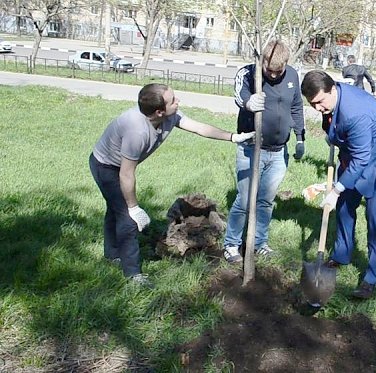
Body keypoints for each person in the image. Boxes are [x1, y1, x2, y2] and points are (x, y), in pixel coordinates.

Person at [89, 83, 254, 287]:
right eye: (173, 100)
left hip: (121, 168)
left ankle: (112, 254)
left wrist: (233, 137)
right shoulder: (137, 130)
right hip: (106, 167)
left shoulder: (169, 116)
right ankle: (132, 275)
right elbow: (126, 173)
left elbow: (199, 127)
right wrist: (133, 207)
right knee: (126, 218)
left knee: (114, 210)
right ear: (159, 111)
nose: (178, 102)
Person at [301, 70, 376, 299]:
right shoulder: (332, 96)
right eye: (313, 105)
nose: (318, 108)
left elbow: (362, 158)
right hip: (358, 153)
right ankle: (341, 254)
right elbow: (346, 139)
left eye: (320, 102)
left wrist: (337, 189)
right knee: (343, 206)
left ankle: (372, 277)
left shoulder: (355, 113)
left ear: (332, 90)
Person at [222, 40, 306, 263]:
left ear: (286, 64)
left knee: (266, 201)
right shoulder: (249, 74)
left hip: (279, 152)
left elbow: (296, 106)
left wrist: (300, 137)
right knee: (245, 199)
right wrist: (249, 102)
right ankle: (231, 244)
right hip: (251, 148)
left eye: (278, 71)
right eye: (269, 70)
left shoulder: (292, 76)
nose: (274, 75)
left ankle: (259, 243)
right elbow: (239, 95)